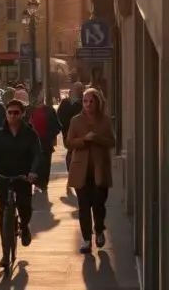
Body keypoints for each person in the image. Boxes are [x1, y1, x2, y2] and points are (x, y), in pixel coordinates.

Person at [0, 97, 41, 268]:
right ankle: (5, 254)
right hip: (3, 176)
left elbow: (37, 154)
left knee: (25, 206)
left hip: (23, 177)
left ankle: (25, 225)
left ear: (22, 114)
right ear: (6, 114)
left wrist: (33, 172)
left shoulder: (30, 134)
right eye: (10, 113)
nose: (13, 116)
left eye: (16, 113)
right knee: (4, 211)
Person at [65, 88, 115, 253]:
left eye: (91, 101)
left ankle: (99, 229)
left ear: (97, 103)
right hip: (81, 170)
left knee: (99, 204)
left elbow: (112, 142)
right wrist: (84, 140)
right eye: (85, 101)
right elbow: (69, 143)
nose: (88, 104)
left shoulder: (105, 121)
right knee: (84, 205)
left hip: (100, 170)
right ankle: (86, 240)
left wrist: (98, 139)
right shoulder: (75, 121)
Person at [27, 91, 60, 192]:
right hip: (32, 141)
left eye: (41, 94)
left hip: (45, 141)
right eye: (38, 94)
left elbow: (57, 126)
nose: (39, 96)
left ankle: (43, 183)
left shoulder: (49, 110)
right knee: (34, 162)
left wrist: (51, 136)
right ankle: (35, 182)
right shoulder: (29, 110)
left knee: (45, 163)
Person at [58, 83, 85, 173]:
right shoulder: (66, 103)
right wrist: (64, 128)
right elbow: (59, 117)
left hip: (80, 132)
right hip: (68, 132)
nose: (79, 92)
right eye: (77, 90)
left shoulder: (84, 103)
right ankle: (72, 171)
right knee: (71, 151)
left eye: (80, 90)